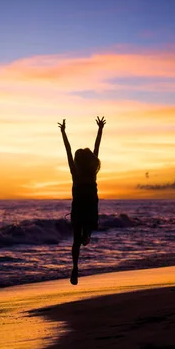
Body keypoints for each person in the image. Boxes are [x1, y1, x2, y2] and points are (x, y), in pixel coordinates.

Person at [58, 116, 105, 285]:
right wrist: (100, 129)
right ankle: (87, 236)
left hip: (78, 207)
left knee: (76, 241)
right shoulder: (92, 172)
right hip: (90, 207)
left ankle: (75, 266)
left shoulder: (75, 173)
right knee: (87, 233)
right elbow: (96, 147)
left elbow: (68, 150)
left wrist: (63, 132)